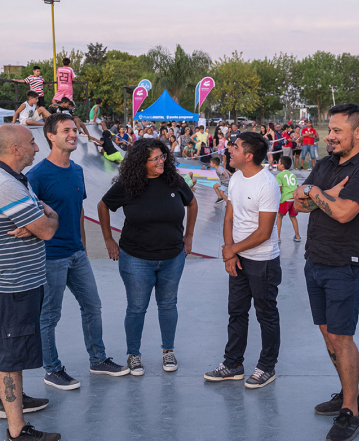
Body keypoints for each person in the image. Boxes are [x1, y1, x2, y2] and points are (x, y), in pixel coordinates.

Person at [292, 103, 359, 441]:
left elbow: (344, 213)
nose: (328, 136)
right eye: (328, 130)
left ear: (358, 132)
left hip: (348, 263)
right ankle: (352, 393)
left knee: (341, 337)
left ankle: (352, 410)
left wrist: (317, 193)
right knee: (328, 333)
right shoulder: (326, 164)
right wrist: (324, 195)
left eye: (336, 131)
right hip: (316, 259)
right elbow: (296, 203)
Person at [27, 113, 129, 391]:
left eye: (74, 130)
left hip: (76, 253)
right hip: (50, 257)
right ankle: (52, 370)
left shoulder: (77, 170)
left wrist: (82, 246)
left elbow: (79, 210)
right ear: (51, 136)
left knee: (93, 306)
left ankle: (97, 360)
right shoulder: (36, 176)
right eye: (66, 130)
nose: (73, 134)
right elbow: (26, 218)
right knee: (50, 315)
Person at [0, 125, 61, 441]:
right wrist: (42, 219)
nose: (36, 148)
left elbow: (45, 219)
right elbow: (49, 228)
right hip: (13, 287)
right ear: (15, 149)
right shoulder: (4, 186)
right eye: (31, 143)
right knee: (11, 354)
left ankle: (13, 399)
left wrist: (41, 218)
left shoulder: (15, 180)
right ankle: (17, 430)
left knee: (6, 346)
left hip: (17, 283)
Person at [98, 139, 198, 376]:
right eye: (155, 159)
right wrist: (108, 239)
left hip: (173, 257)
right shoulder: (128, 184)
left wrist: (189, 235)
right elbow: (103, 206)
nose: (161, 161)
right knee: (136, 308)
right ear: (140, 162)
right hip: (135, 258)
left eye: (162, 156)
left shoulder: (174, 181)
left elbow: (192, 204)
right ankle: (134, 355)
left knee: (168, 305)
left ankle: (168, 351)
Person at [204, 132, 281, 389]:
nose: (229, 150)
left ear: (248, 156)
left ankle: (266, 367)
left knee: (266, 314)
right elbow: (230, 216)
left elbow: (264, 232)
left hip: (263, 262)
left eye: (235, 147)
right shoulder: (236, 178)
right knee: (236, 312)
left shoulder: (267, 184)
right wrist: (230, 251)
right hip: (238, 258)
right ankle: (233, 364)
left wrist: (232, 249)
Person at [275, 156, 301, 243]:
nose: (278, 165)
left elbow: (279, 189)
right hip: (294, 199)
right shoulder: (292, 175)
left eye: (279, 163)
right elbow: (297, 187)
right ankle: (297, 236)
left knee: (279, 216)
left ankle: (277, 237)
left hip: (285, 199)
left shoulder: (279, 175)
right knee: (293, 217)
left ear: (282, 165)